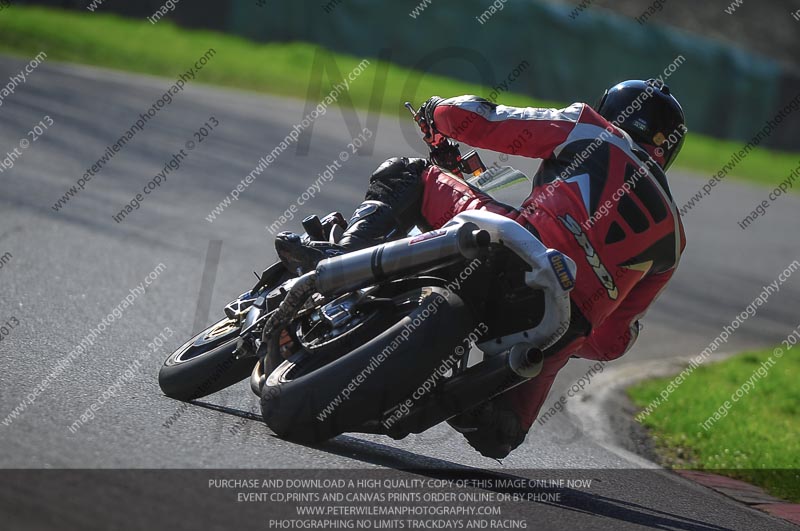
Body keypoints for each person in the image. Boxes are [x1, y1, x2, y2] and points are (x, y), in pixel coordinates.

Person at [275, 79, 687, 458]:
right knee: (501, 436)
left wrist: (437, 110)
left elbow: (478, 119)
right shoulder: (673, 237)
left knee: (406, 173)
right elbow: (610, 342)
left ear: (612, 111)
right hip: (558, 324)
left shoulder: (590, 128)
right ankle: (456, 398)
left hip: (511, 247)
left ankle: (342, 256)